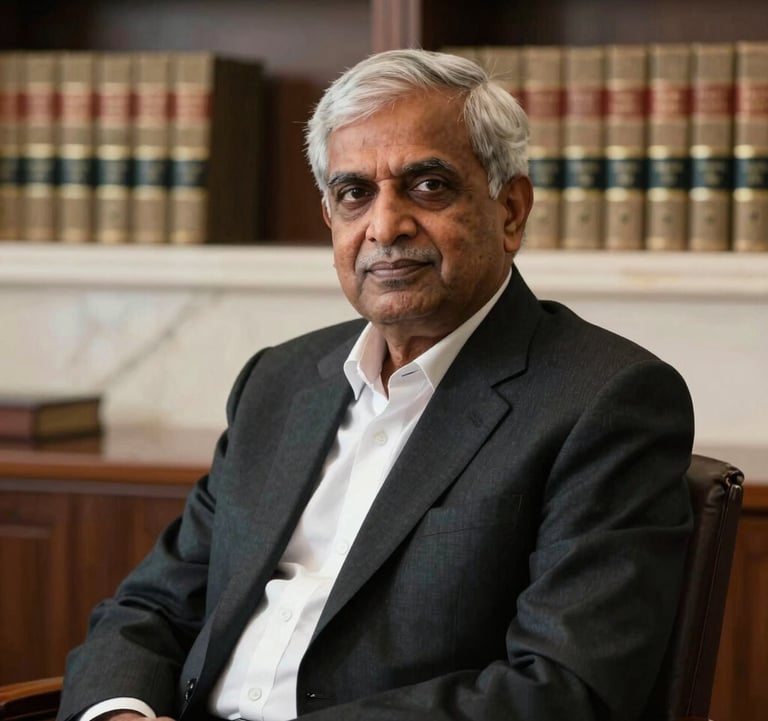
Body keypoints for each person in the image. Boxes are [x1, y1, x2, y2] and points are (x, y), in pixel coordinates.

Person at [57, 48, 695, 721]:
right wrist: (118, 712)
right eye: (354, 192)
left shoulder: (606, 401)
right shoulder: (278, 381)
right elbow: (152, 605)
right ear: (330, 218)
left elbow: (561, 691)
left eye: (427, 185)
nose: (384, 227)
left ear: (511, 209)